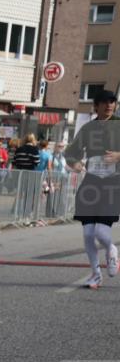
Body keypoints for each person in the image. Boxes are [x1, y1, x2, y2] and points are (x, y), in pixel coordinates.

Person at [64, 90, 120, 289]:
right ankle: (96, 275)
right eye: (105, 102)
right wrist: (75, 163)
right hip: (91, 183)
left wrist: (119, 156)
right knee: (88, 234)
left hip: (113, 184)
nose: (109, 105)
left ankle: (111, 250)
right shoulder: (88, 128)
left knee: (101, 233)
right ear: (96, 106)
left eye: (112, 101)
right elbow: (70, 153)